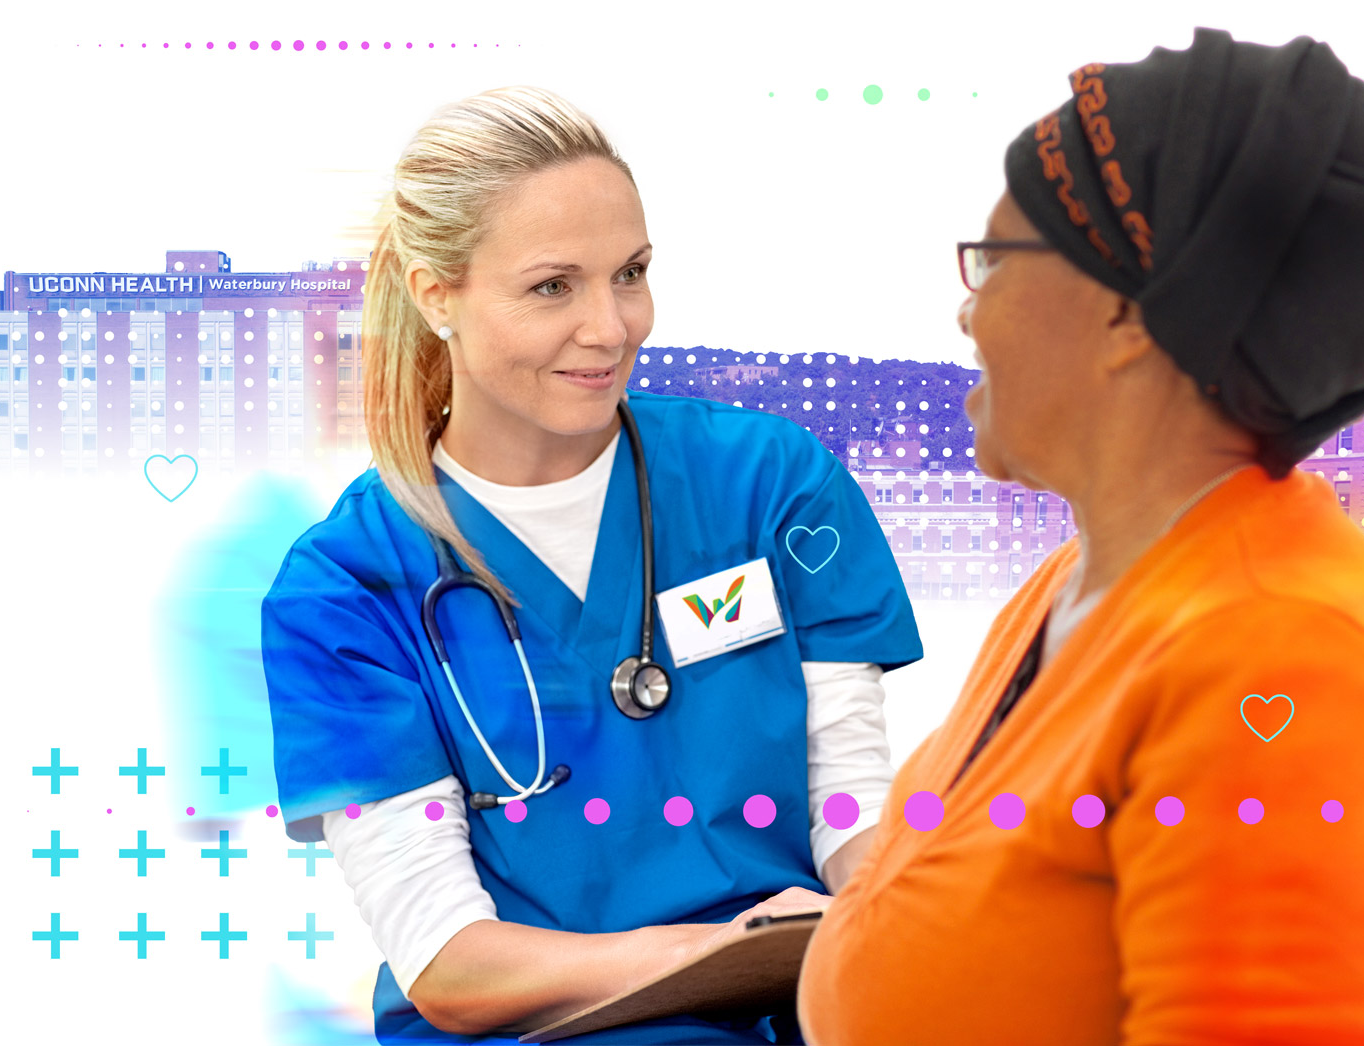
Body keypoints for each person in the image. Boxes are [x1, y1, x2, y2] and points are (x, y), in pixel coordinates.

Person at [798, 28, 1364, 1046]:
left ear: (1130, 316)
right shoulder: (1081, 582)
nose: (966, 314)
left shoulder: (1277, 662)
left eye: (997, 260)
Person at [260, 85, 922, 1045]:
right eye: (552, 286)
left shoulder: (773, 487)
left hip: (787, 1013)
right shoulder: (347, 590)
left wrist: (910, 904)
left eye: (632, 273)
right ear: (434, 291)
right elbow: (450, 965)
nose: (613, 328)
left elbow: (848, 807)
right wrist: (715, 955)